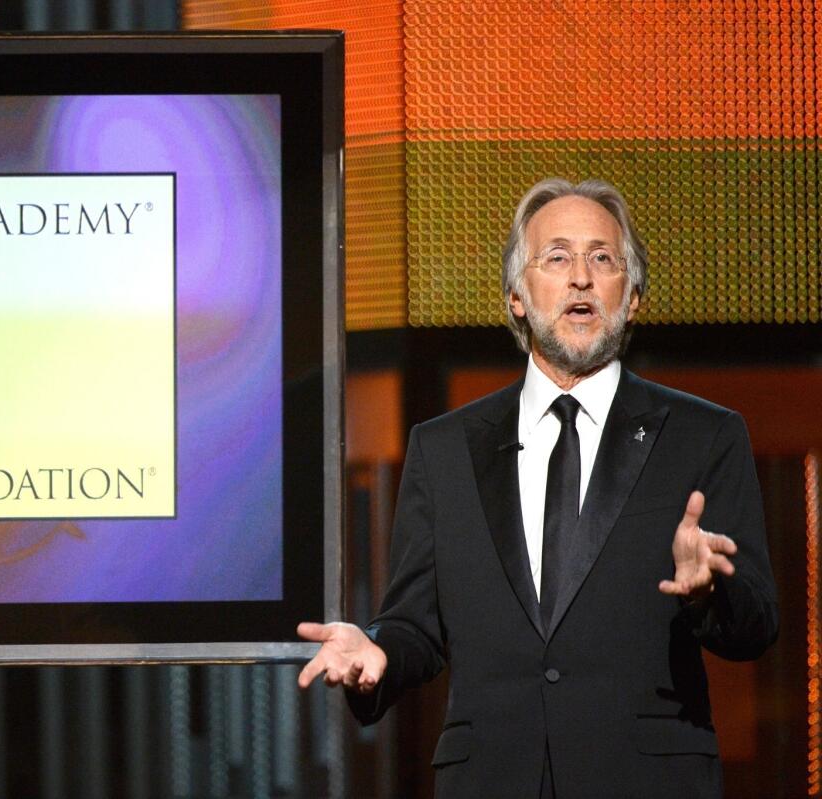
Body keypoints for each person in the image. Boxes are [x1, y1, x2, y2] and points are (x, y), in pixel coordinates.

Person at [297, 178, 778, 798]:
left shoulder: (704, 436)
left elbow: (757, 626)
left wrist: (709, 591)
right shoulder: (442, 449)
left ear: (631, 296)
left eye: (602, 258)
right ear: (517, 296)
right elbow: (415, 624)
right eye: (556, 258)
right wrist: (379, 654)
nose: (581, 277)